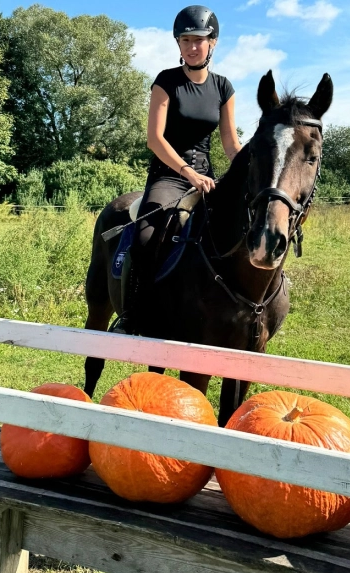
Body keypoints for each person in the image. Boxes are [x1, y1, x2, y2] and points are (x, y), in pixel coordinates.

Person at [111, 5, 242, 335]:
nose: (192, 46)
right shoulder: (166, 81)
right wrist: (188, 172)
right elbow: (154, 138)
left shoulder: (224, 87)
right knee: (146, 234)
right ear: (178, 44)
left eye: (199, 40)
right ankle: (133, 313)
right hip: (169, 175)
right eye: (185, 40)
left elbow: (230, 143)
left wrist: (248, 170)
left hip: (207, 177)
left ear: (213, 43)